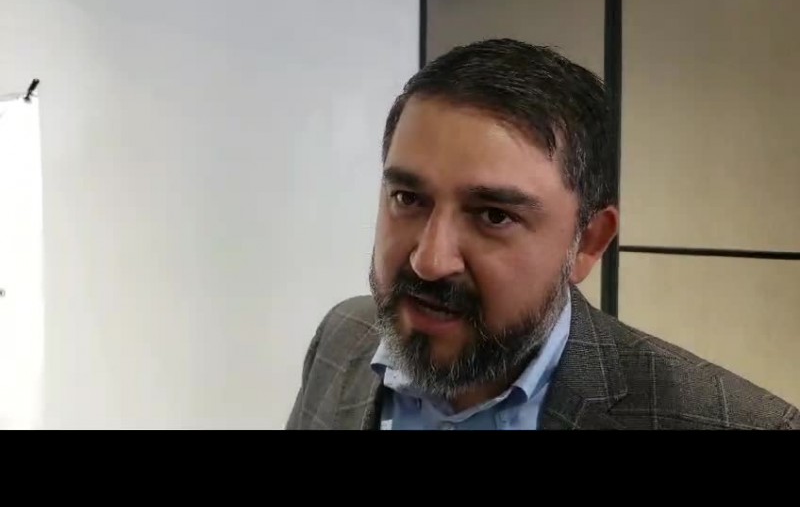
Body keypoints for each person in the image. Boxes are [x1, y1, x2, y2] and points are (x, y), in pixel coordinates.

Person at [285, 38, 799, 430]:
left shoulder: (737, 422)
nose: (430, 261)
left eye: (493, 216)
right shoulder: (342, 337)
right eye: (408, 199)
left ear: (589, 242)